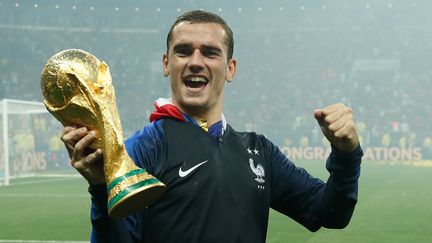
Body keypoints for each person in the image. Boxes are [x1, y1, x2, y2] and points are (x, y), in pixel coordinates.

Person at [61, 10, 363, 243]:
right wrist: (103, 189)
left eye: (210, 52)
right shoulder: (143, 150)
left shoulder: (259, 151)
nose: (195, 61)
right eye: (183, 51)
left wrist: (347, 154)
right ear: (167, 63)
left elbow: (330, 212)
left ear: (230, 68)